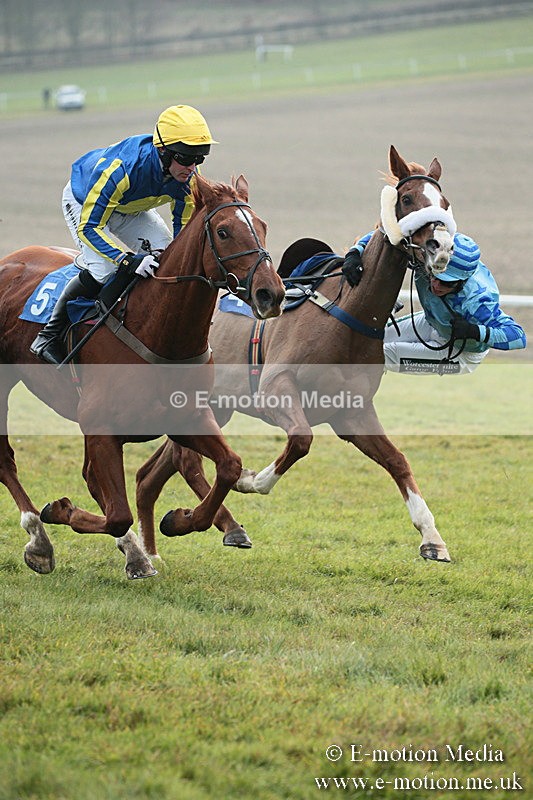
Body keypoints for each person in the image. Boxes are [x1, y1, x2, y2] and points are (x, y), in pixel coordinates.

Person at [31, 104, 217, 365]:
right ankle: (48, 335)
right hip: (85, 203)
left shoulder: (188, 179)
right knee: (104, 268)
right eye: (185, 158)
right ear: (163, 151)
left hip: (130, 207)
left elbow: (182, 233)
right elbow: (89, 227)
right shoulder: (122, 170)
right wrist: (127, 260)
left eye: (200, 158)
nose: (192, 167)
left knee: (165, 258)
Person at [342, 232, 526, 374]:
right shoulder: (429, 258)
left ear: (462, 281)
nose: (435, 285)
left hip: (460, 353)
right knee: (365, 339)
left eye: (446, 282)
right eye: (435, 276)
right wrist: (355, 252)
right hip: (433, 322)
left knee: (378, 354)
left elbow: (518, 337)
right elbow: (388, 235)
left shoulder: (478, 301)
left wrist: (474, 331)